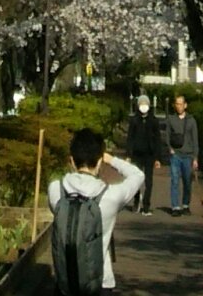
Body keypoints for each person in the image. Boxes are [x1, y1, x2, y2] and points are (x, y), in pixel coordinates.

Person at [48, 126, 145, 294]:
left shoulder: (56, 190)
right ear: (99, 161)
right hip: (101, 282)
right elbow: (138, 175)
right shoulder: (111, 196)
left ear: (71, 161)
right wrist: (111, 159)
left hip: (65, 284)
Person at [123, 92, 162, 212]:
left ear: (149, 105)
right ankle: (136, 200)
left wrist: (157, 157)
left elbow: (157, 139)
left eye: (145, 104)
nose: (143, 106)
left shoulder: (154, 121)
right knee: (136, 180)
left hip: (149, 155)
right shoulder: (134, 120)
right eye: (141, 103)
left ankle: (146, 205)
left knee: (149, 181)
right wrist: (128, 155)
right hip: (137, 154)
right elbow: (130, 138)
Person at [163, 92, 200, 214]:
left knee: (187, 181)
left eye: (180, 104)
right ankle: (175, 206)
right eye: (177, 104)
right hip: (176, 155)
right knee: (174, 180)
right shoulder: (171, 119)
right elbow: (167, 135)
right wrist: (170, 148)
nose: (178, 106)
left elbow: (195, 139)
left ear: (185, 105)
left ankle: (185, 204)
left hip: (188, 156)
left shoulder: (191, 121)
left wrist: (195, 158)